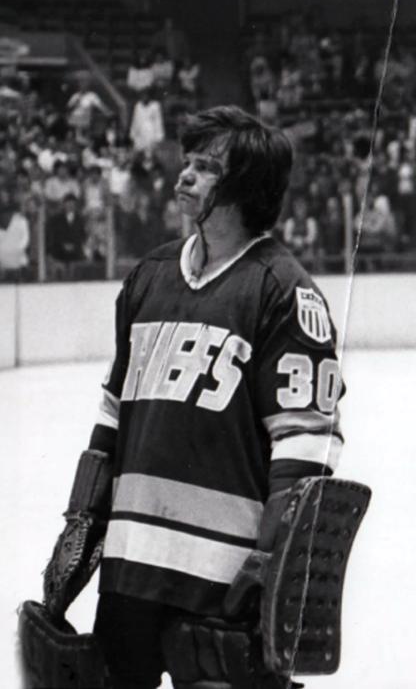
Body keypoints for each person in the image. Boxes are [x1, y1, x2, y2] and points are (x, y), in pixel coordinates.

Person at [35, 106, 352, 688]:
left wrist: (272, 564)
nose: (185, 175)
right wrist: (83, 520)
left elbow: (306, 443)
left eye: (207, 167)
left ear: (245, 187)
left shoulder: (283, 292)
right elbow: (114, 410)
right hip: (130, 565)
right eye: (188, 162)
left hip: (224, 581)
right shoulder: (149, 276)